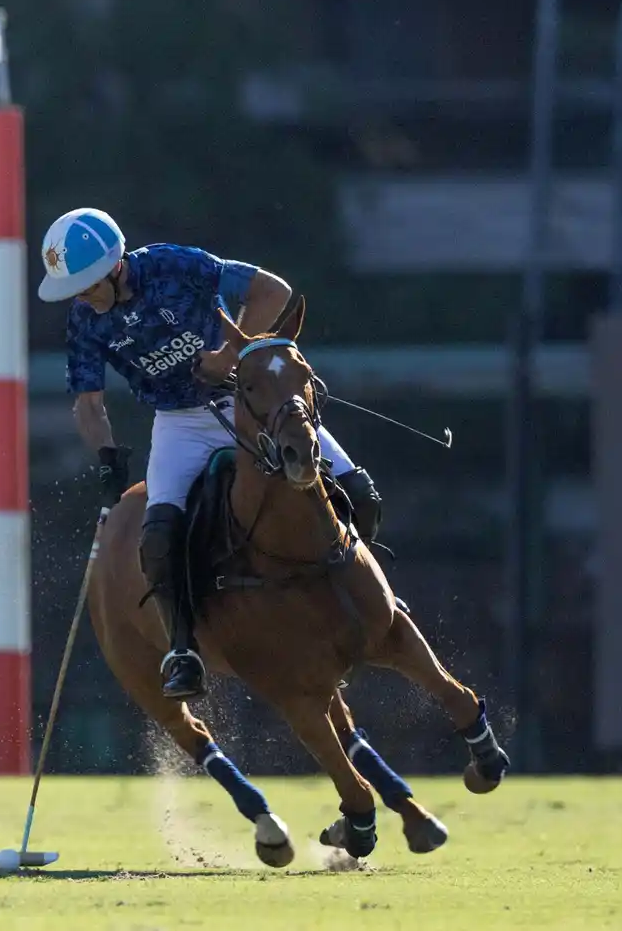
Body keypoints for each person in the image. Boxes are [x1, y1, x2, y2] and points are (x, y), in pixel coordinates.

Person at [38, 207, 384, 701]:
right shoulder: (85, 321)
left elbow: (274, 291)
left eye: (88, 285)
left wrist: (229, 355)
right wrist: (109, 459)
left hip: (248, 403)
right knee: (158, 535)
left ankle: (364, 602)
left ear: (115, 266)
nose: (83, 297)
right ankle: (183, 651)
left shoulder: (172, 265)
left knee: (361, 496)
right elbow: (88, 404)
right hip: (180, 423)